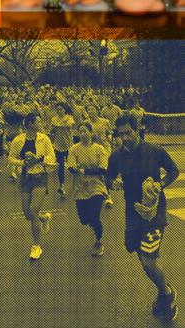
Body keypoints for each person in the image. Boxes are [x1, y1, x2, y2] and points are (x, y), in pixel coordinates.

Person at [106, 114, 179, 322]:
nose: (126, 138)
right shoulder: (116, 156)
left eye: (129, 132)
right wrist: (113, 184)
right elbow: (108, 176)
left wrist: (160, 184)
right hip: (132, 211)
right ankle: (162, 289)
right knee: (140, 255)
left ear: (137, 130)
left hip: (154, 211)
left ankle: (166, 294)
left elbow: (174, 170)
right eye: (121, 134)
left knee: (148, 260)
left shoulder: (154, 151)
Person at [8, 110, 56, 261]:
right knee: (28, 214)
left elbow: (51, 157)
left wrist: (39, 159)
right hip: (25, 178)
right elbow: (11, 158)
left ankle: (36, 246)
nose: (40, 124)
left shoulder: (44, 139)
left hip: (40, 177)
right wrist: (22, 162)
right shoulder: (18, 140)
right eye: (38, 122)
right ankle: (43, 218)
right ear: (30, 124)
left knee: (33, 209)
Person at [67, 123, 109, 257]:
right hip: (80, 187)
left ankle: (99, 241)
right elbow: (71, 167)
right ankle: (94, 226)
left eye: (85, 131)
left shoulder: (99, 149)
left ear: (91, 133)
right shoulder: (74, 149)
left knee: (94, 216)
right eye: (80, 131)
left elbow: (102, 169)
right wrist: (74, 169)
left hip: (97, 185)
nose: (82, 134)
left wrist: (84, 170)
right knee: (84, 219)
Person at [50, 103, 75, 197]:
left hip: (68, 145)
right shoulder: (54, 119)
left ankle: (77, 184)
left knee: (71, 166)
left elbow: (70, 125)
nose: (59, 111)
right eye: (58, 109)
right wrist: (54, 128)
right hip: (58, 145)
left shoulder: (69, 117)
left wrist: (58, 125)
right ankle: (61, 186)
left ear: (65, 110)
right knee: (60, 167)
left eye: (61, 109)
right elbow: (51, 129)